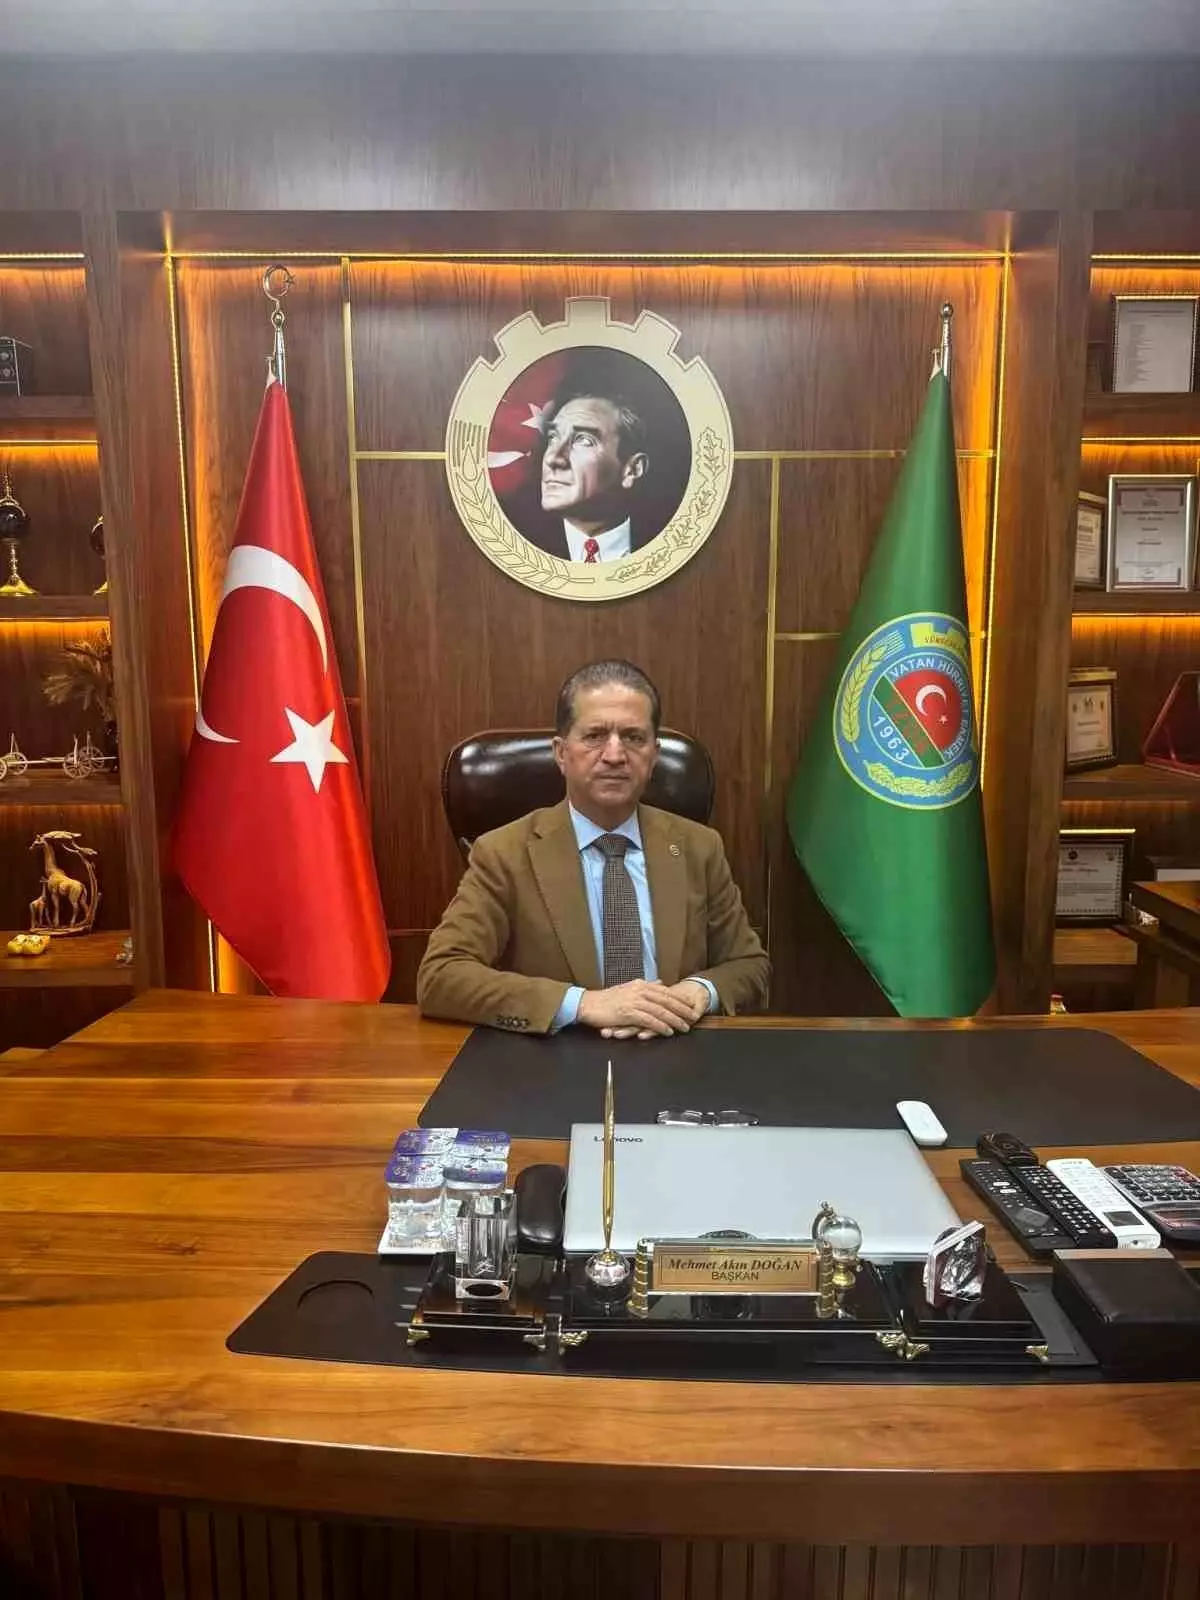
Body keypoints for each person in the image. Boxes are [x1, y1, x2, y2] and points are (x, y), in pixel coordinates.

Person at [417, 660, 770, 1037]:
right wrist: (582, 1004)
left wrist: (699, 991)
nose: (615, 755)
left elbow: (749, 965)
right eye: (595, 735)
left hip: (674, 1048)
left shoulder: (699, 847)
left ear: (654, 755)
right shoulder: (504, 853)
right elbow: (441, 975)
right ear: (561, 753)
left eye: (633, 737)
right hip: (556, 1058)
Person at [536, 389, 657, 563]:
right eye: (553, 437)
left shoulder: (666, 543)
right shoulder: (520, 541)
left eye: (584, 440)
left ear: (632, 469)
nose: (552, 459)